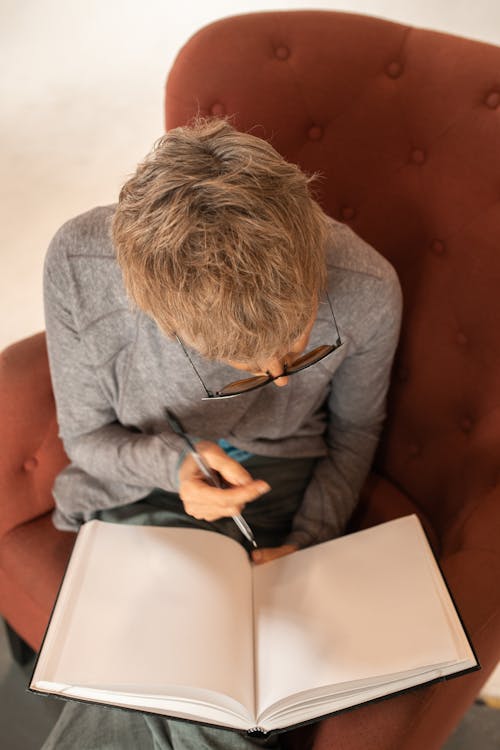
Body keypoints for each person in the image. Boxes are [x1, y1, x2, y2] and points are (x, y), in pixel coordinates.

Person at [40, 115, 403, 750]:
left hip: (282, 481)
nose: (281, 383)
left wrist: (310, 540)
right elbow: (86, 440)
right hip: (138, 484)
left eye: (300, 354)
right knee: (193, 691)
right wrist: (169, 469)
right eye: (244, 373)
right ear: (160, 320)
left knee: (190, 692)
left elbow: (355, 430)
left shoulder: (368, 289)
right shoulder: (79, 265)